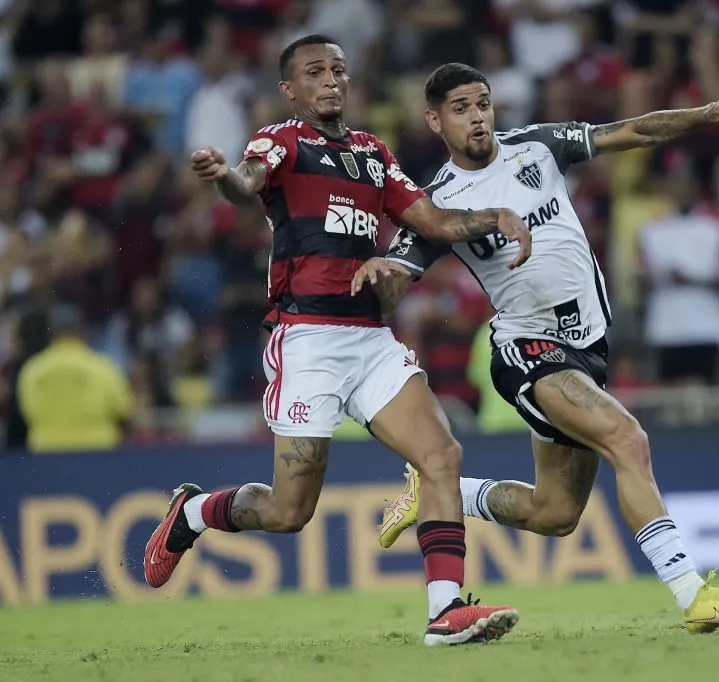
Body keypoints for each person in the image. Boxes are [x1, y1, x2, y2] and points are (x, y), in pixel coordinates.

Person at [143, 36, 534, 648]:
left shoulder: (372, 152)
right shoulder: (281, 142)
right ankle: (191, 513)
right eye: (315, 72)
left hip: (371, 339)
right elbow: (246, 183)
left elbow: (428, 220)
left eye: (339, 70)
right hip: (309, 340)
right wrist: (224, 176)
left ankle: (444, 612)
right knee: (288, 513)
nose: (331, 81)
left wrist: (494, 217)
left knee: (442, 457)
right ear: (290, 88)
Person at [365, 62, 719, 633]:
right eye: (461, 108)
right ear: (434, 120)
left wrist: (709, 113)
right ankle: (691, 595)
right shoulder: (438, 206)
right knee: (628, 438)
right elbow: (396, 277)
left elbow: (632, 131)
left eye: (482, 102)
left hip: (588, 347)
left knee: (554, 513)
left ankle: (436, 491)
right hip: (528, 348)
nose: (477, 116)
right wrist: (382, 273)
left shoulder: (537, 146)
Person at [17, 305, 133, 452]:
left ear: (52, 332)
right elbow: (123, 410)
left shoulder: (33, 370)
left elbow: (28, 411)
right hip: (97, 454)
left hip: (47, 455)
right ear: (82, 331)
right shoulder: (104, 368)